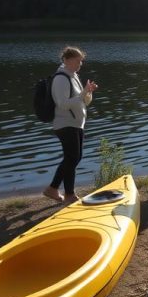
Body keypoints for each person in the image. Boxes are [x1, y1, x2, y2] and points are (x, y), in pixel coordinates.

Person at [43, 46, 98, 204]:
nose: (80, 64)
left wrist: (89, 92)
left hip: (76, 123)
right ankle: (63, 192)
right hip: (65, 123)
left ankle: (59, 191)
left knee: (74, 158)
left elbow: (84, 102)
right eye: (77, 61)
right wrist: (82, 93)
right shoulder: (61, 78)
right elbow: (62, 104)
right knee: (72, 158)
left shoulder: (73, 75)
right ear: (66, 60)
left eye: (81, 61)